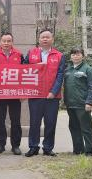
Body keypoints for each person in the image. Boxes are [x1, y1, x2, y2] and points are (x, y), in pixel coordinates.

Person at [25, 29, 66, 157]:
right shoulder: (31, 53)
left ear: (52, 39)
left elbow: (60, 75)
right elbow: (24, 70)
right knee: (34, 123)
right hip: (35, 95)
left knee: (50, 123)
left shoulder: (59, 56)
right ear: (39, 39)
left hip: (52, 96)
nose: (45, 39)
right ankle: (33, 147)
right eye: (43, 37)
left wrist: (53, 92)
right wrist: (36, 66)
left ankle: (48, 147)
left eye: (48, 37)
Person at [0, 33, 24, 155]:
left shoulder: (19, 55)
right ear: (0, 42)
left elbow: (24, 74)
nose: (6, 43)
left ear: (12, 42)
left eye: (8, 41)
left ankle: (15, 145)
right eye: (4, 41)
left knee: (15, 120)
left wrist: (23, 92)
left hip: (15, 93)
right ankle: (1, 144)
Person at [64, 48, 92, 156]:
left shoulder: (88, 69)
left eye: (78, 54)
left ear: (83, 56)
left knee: (86, 128)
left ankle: (90, 150)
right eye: (73, 54)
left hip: (82, 104)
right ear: (70, 56)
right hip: (70, 104)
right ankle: (78, 150)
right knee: (74, 127)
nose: (75, 56)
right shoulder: (68, 70)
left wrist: (89, 102)